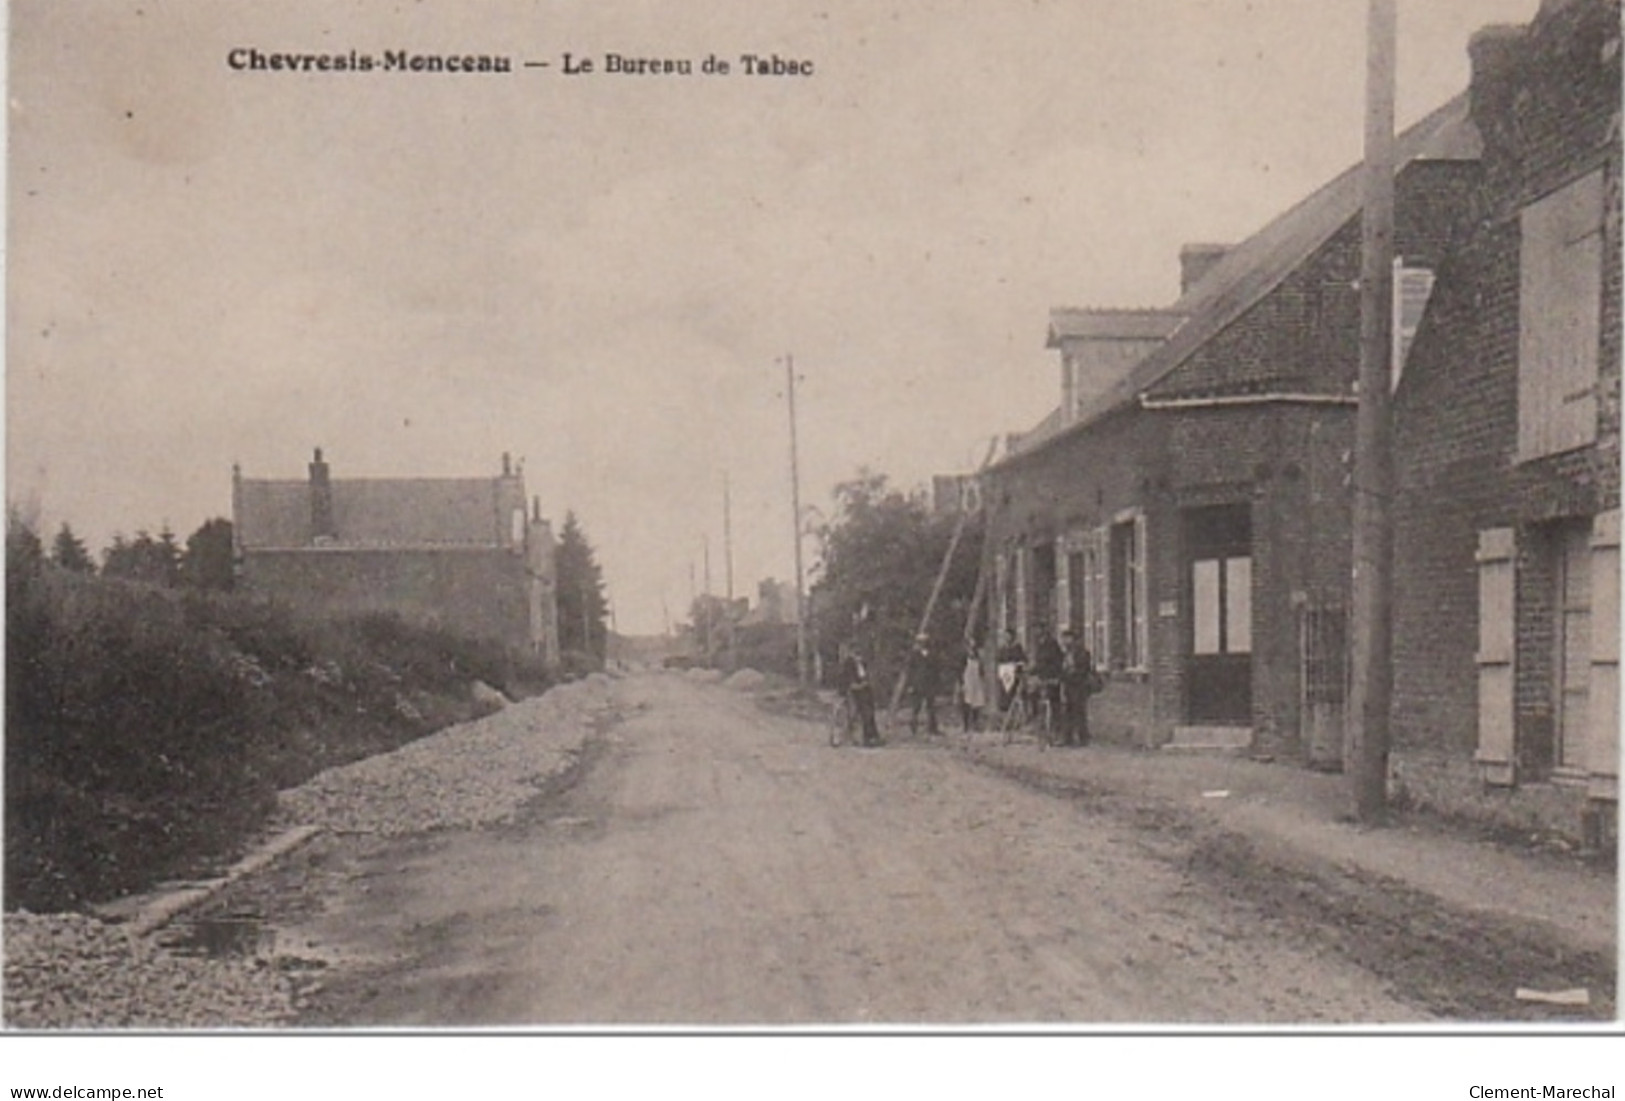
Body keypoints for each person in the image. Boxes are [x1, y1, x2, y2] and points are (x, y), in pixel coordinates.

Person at [838, 642, 882, 746]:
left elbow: (865, 676)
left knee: (870, 711)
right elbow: (847, 678)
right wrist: (855, 685)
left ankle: (874, 736)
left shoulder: (862, 663)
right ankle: (867, 738)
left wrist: (866, 683)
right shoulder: (848, 663)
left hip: (864, 689)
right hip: (853, 690)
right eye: (855, 653)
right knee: (865, 711)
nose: (858, 656)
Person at [1060, 627, 1096, 747]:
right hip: (1069, 686)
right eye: (1063, 639)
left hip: (1079, 686)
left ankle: (1083, 738)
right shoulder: (1066, 654)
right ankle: (1068, 738)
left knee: (1079, 712)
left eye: (1067, 639)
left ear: (1074, 640)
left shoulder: (1082, 653)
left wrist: (1071, 674)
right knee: (1068, 712)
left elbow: (1083, 670)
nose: (1065, 642)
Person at [904, 634, 942, 735]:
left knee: (931, 706)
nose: (923, 644)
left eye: (925, 642)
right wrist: (910, 685)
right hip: (917, 683)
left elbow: (936, 669)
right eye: (920, 642)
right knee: (916, 707)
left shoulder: (932, 654)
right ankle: (913, 727)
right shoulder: (913, 655)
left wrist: (936, 683)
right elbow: (909, 671)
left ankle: (933, 728)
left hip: (929, 683)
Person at [1031, 624, 1066, 733]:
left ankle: (1056, 728)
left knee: (1054, 702)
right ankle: (1038, 721)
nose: (1037, 634)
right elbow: (1039, 663)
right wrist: (1033, 671)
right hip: (1042, 677)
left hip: (1052, 677)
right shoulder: (1039, 645)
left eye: (1039, 631)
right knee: (1033, 695)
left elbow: (1057, 662)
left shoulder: (1052, 645)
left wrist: (1056, 676)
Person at [994, 628, 1026, 715]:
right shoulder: (1003, 649)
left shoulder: (1017, 648)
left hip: (1015, 675)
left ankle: (1013, 712)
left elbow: (1022, 661)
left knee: (1012, 692)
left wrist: (1016, 665)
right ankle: (1004, 710)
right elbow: (999, 660)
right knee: (1003, 691)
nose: (1007, 638)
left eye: (1008, 636)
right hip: (1004, 673)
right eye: (1005, 636)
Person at [958, 642, 987, 732]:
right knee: (966, 702)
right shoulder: (964, 660)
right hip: (967, 682)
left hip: (976, 682)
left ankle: (976, 723)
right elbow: (960, 672)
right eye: (970, 649)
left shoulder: (978, 660)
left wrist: (983, 681)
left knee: (977, 703)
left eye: (973, 649)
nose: (971, 651)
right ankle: (966, 725)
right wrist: (961, 683)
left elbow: (982, 672)